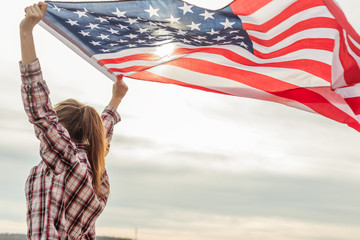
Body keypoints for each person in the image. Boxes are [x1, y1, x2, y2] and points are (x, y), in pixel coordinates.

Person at [19, 2, 128, 239]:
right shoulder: (95, 172)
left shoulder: (64, 162)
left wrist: (26, 32)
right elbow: (102, 134)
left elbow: (41, 113)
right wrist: (115, 100)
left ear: (62, 130)